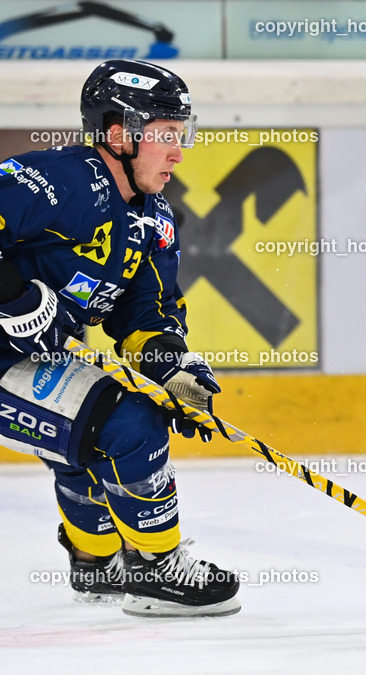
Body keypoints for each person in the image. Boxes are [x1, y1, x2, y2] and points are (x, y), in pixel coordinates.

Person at [0, 59, 239, 617]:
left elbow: (145, 316)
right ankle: (155, 566)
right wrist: (13, 295)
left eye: (183, 134)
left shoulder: (153, 219)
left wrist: (174, 371)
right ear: (118, 134)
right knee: (128, 421)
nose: (179, 152)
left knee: (82, 440)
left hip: (22, 359)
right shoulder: (59, 181)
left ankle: (95, 561)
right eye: (166, 136)